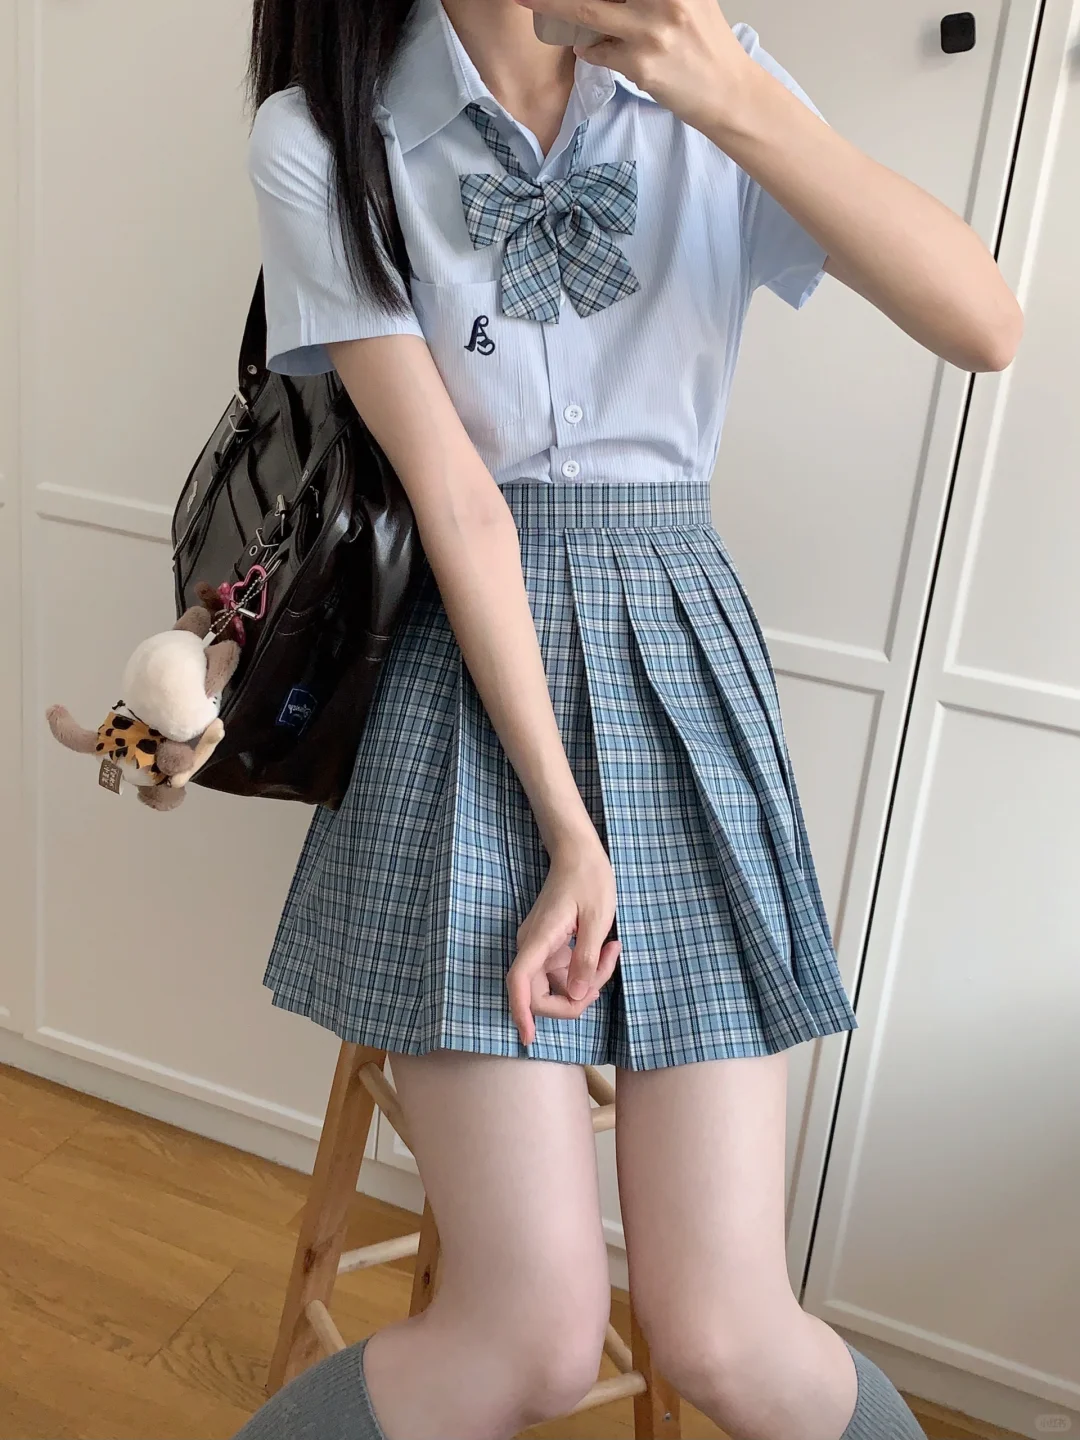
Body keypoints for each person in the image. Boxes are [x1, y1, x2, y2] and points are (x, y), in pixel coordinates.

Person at [234, 0, 1022, 1436]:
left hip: (680, 669)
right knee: (525, 1342)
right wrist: (566, 826)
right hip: (468, 695)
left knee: (731, 1338)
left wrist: (725, 92)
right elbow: (461, 506)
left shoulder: (717, 80)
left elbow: (985, 323)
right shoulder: (326, 136)